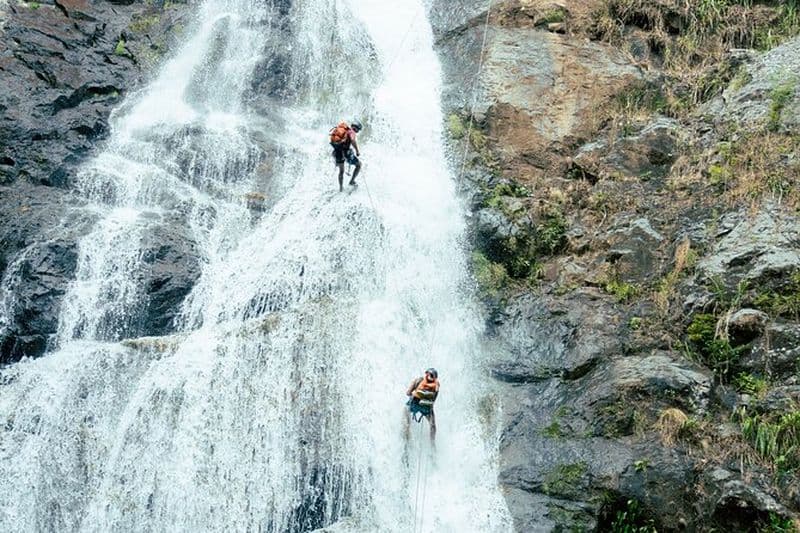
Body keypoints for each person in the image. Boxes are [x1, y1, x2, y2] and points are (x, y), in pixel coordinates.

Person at [405, 368, 439, 441]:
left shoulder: (417, 380)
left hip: (413, 405)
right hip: (425, 408)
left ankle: (407, 441)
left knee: (406, 424)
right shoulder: (436, 386)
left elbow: (408, 393)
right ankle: (432, 444)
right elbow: (433, 401)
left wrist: (415, 394)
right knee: (432, 425)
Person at [329, 120, 362, 192]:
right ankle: (352, 181)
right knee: (359, 165)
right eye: (358, 130)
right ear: (355, 128)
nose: (357, 131)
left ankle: (341, 188)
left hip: (338, 152)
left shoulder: (344, 131)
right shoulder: (351, 132)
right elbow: (353, 140)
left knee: (341, 171)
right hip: (346, 153)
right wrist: (357, 151)